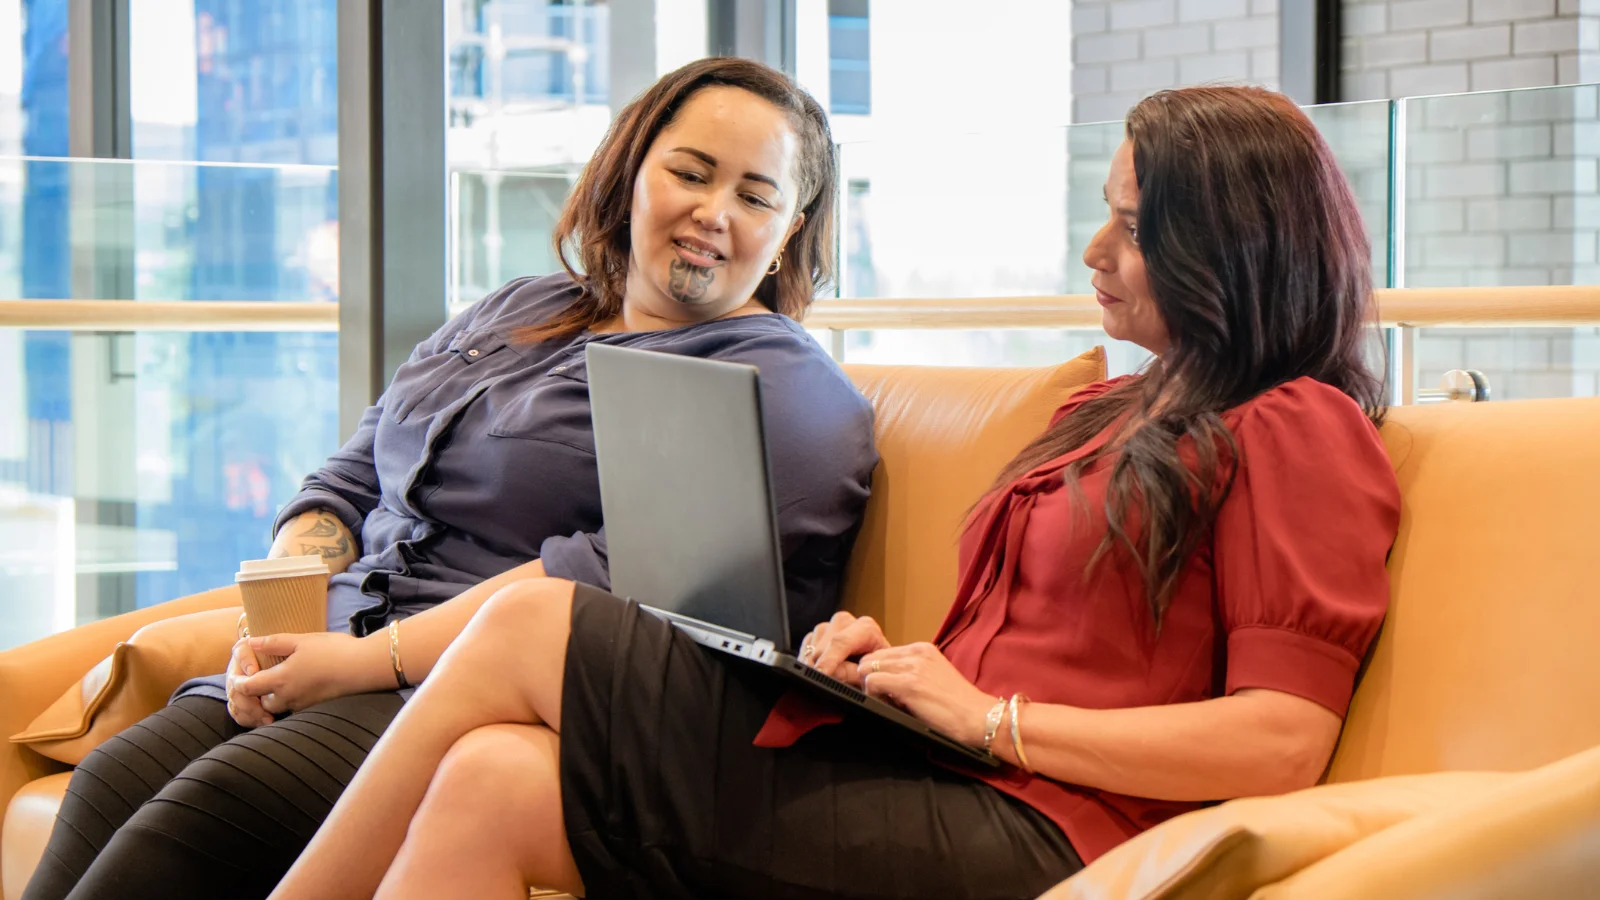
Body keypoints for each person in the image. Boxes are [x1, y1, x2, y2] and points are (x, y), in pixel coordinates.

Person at [272, 85, 1403, 900]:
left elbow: (1280, 741)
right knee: (489, 778)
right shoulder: (1104, 417)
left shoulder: (1298, 427)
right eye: (1102, 211)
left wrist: (991, 720)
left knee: (532, 615)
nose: (1095, 250)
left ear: (1231, 249)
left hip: (1049, 833)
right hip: (945, 768)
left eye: (1136, 225)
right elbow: (1021, 652)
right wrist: (903, 668)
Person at [23, 58, 876, 900]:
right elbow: (350, 477)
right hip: (334, 648)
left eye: (754, 196)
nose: (711, 212)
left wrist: (353, 663)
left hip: (478, 699)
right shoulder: (518, 308)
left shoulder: (779, 386)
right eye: (689, 173)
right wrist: (282, 623)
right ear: (632, 174)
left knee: (210, 811)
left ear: (789, 230)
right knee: (109, 780)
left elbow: (605, 586)